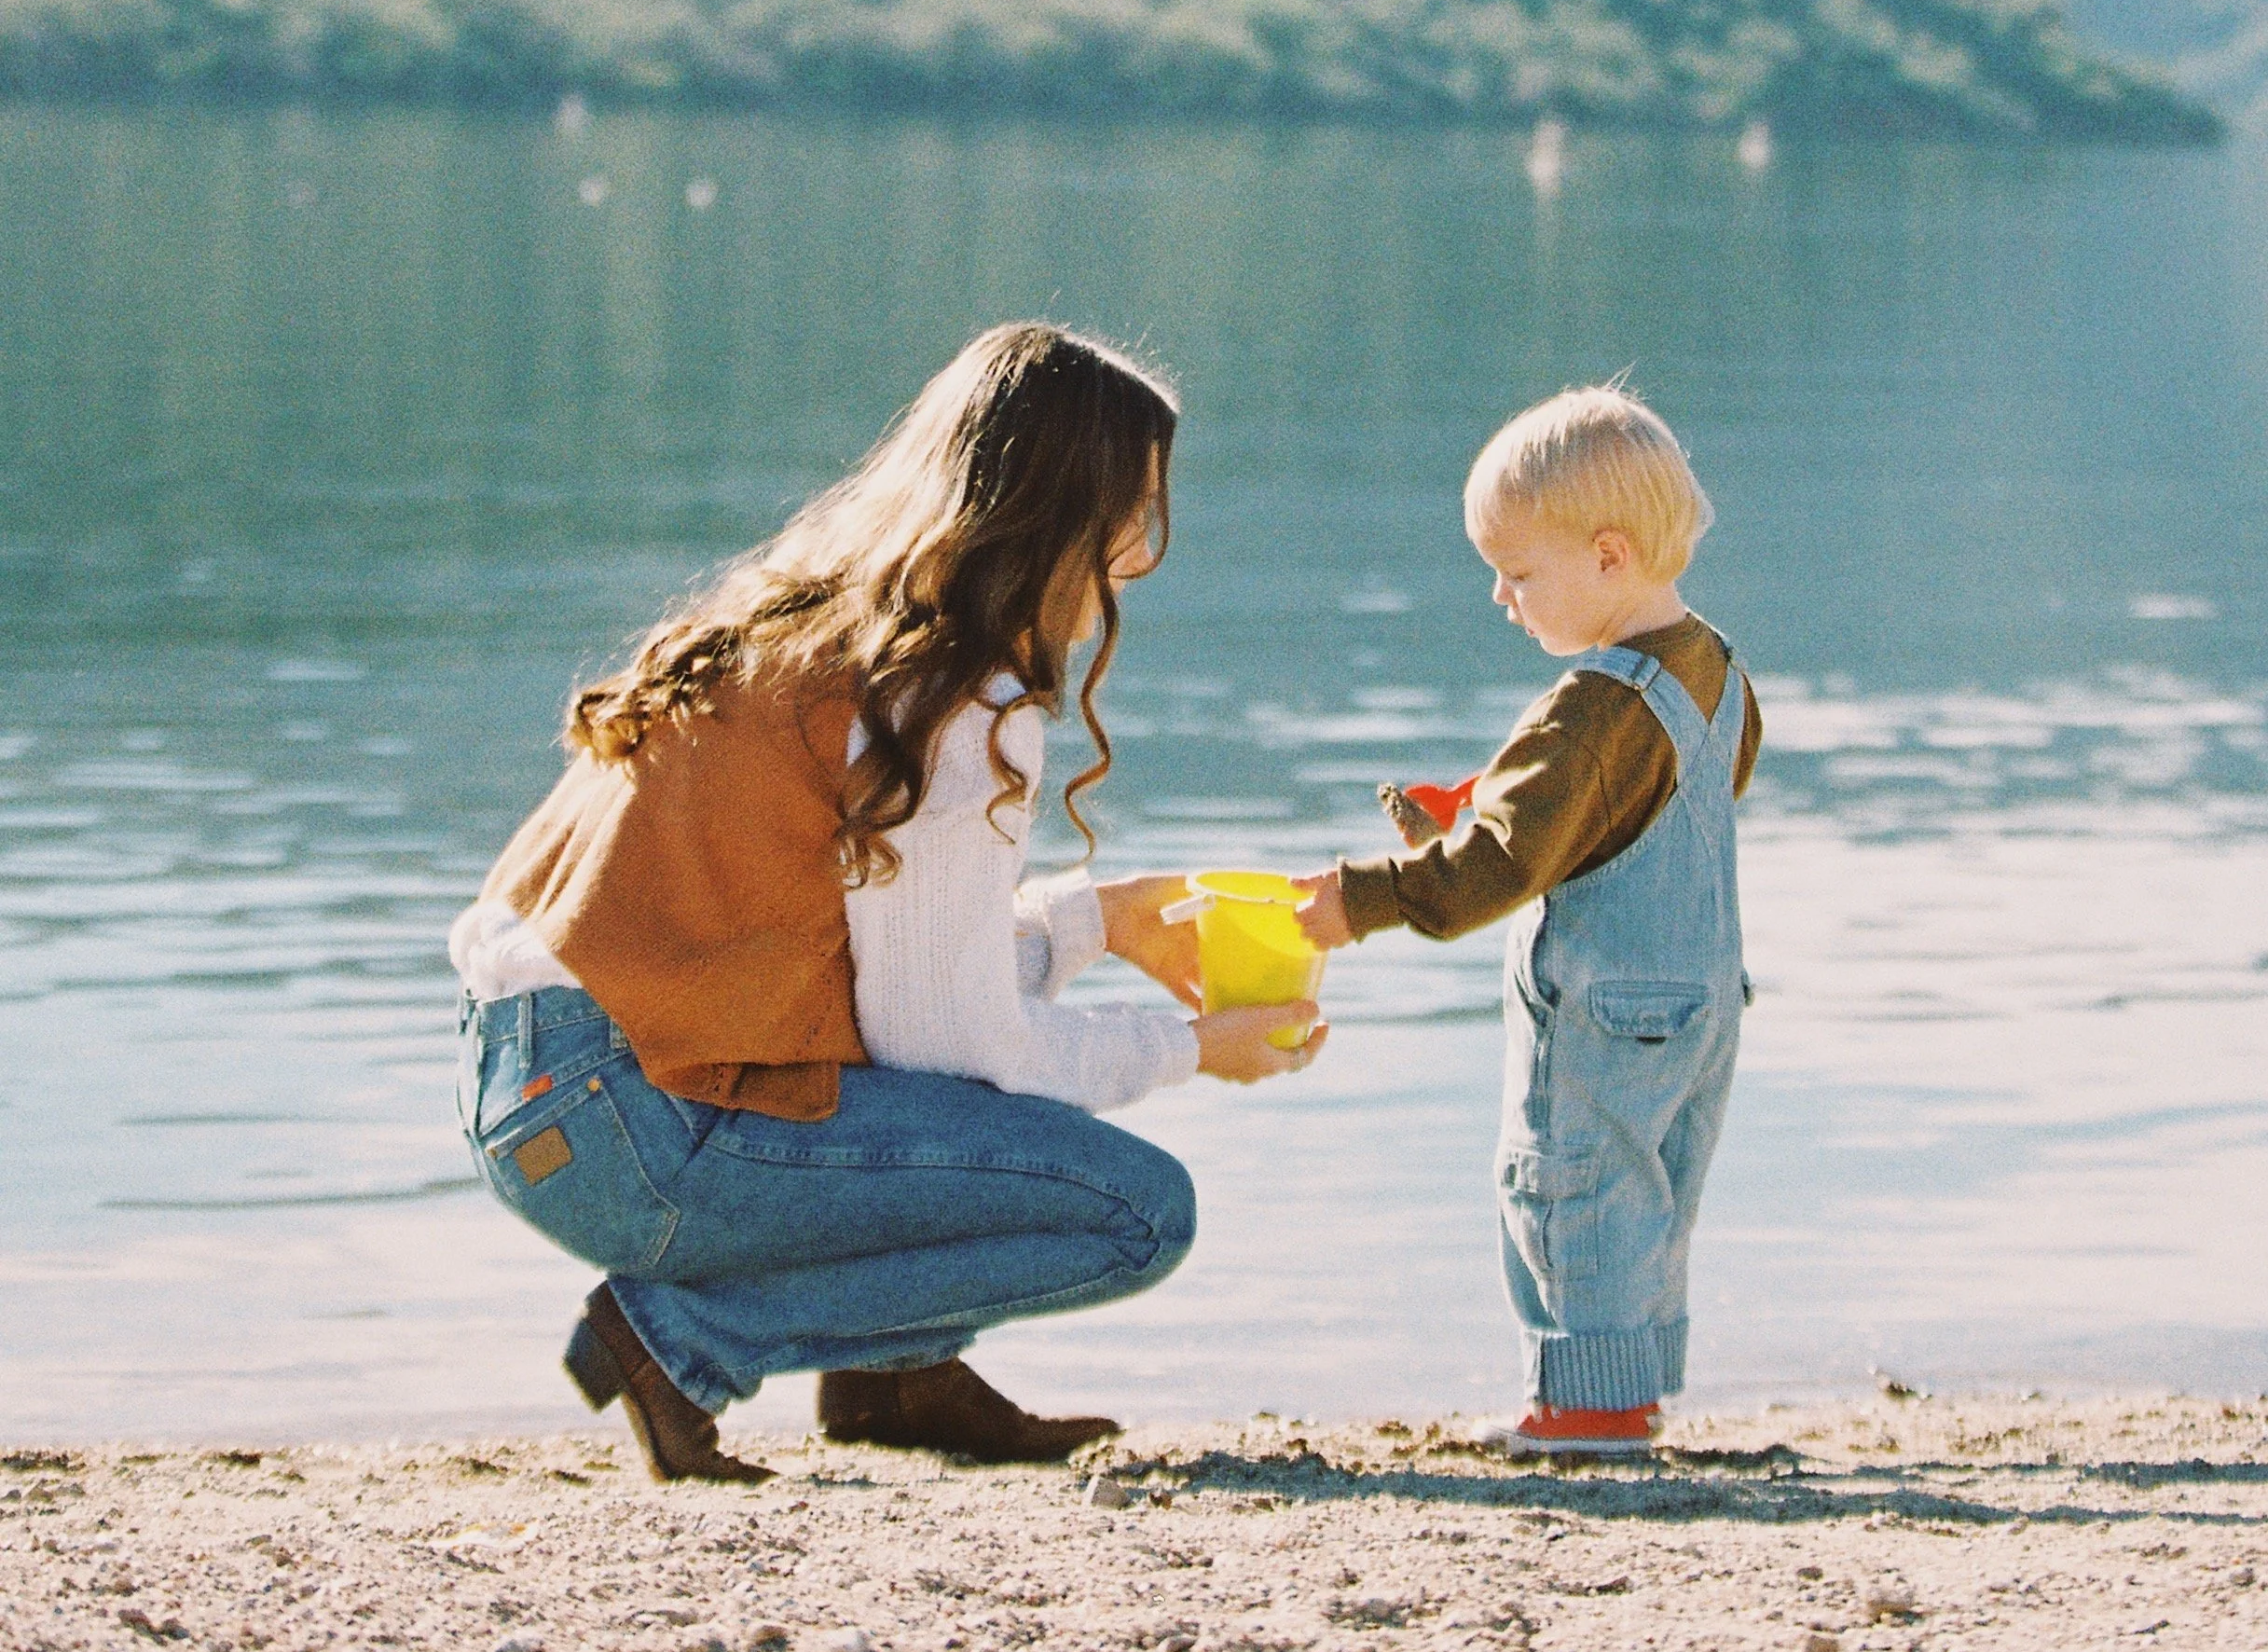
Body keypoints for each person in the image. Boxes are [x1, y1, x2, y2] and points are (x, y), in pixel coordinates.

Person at [451, 323, 1323, 1487]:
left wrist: (1096, 922)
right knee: (1136, 1211)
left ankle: (894, 1373)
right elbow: (949, 1041)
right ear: (1054, 513)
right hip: (642, 1126)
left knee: (969, 1114)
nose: (1134, 558)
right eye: (1131, 517)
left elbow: (888, 981)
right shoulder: (959, 697)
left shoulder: (816, 626)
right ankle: (683, 1341)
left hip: (542, 1093)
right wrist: (1187, 1048)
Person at [1292, 383, 1757, 1453]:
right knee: (1653, 1187)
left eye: (1516, 572)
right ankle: (1629, 1385)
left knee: (1567, 1185)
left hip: (1604, 1003)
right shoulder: (1717, 668)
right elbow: (1667, 790)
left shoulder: (1592, 703)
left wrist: (1361, 900)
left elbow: (1491, 873)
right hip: (1703, 997)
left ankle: (1587, 1409)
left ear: (1607, 556)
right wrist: (1499, 799)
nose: (1502, 596)